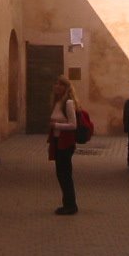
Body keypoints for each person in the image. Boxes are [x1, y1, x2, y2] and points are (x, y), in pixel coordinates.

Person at [48, 74, 79, 215]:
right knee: (61, 174)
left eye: (61, 84)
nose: (57, 86)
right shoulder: (57, 102)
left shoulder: (68, 103)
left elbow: (73, 125)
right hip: (57, 142)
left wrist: (56, 125)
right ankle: (67, 203)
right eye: (56, 83)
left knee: (65, 174)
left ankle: (71, 206)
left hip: (65, 143)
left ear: (66, 88)